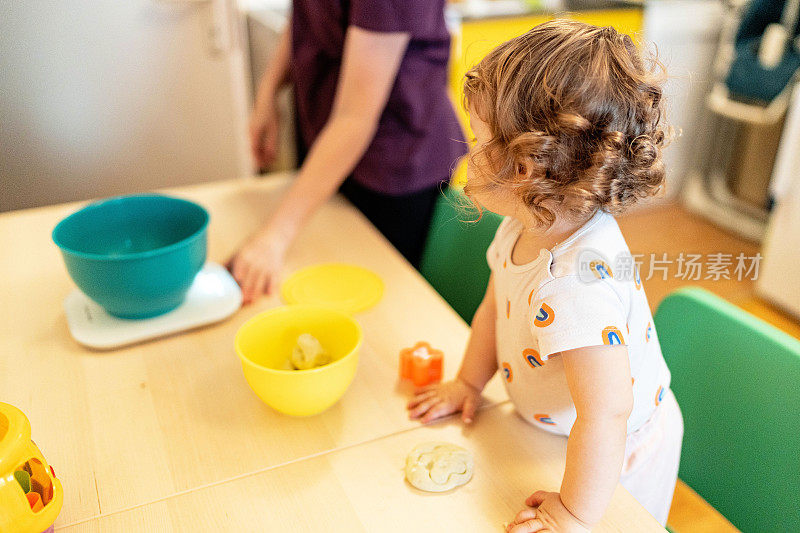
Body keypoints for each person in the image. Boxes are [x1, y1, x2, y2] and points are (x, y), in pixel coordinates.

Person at [406, 20, 683, 531]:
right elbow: (495, 305)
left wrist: (575, 515)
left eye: (478, 140)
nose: (467, 154)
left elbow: (606, 414)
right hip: (557, 432)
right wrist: (470, 382)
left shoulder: (578, 283)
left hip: (620, 452)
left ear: (527, 167)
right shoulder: (522, 226)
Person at [230, 0, 466, 303]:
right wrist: (268, 92)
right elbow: (306, 16)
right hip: (331, 145)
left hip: (394, 163)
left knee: (382, 306)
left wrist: (273, 237)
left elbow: (355, 118)